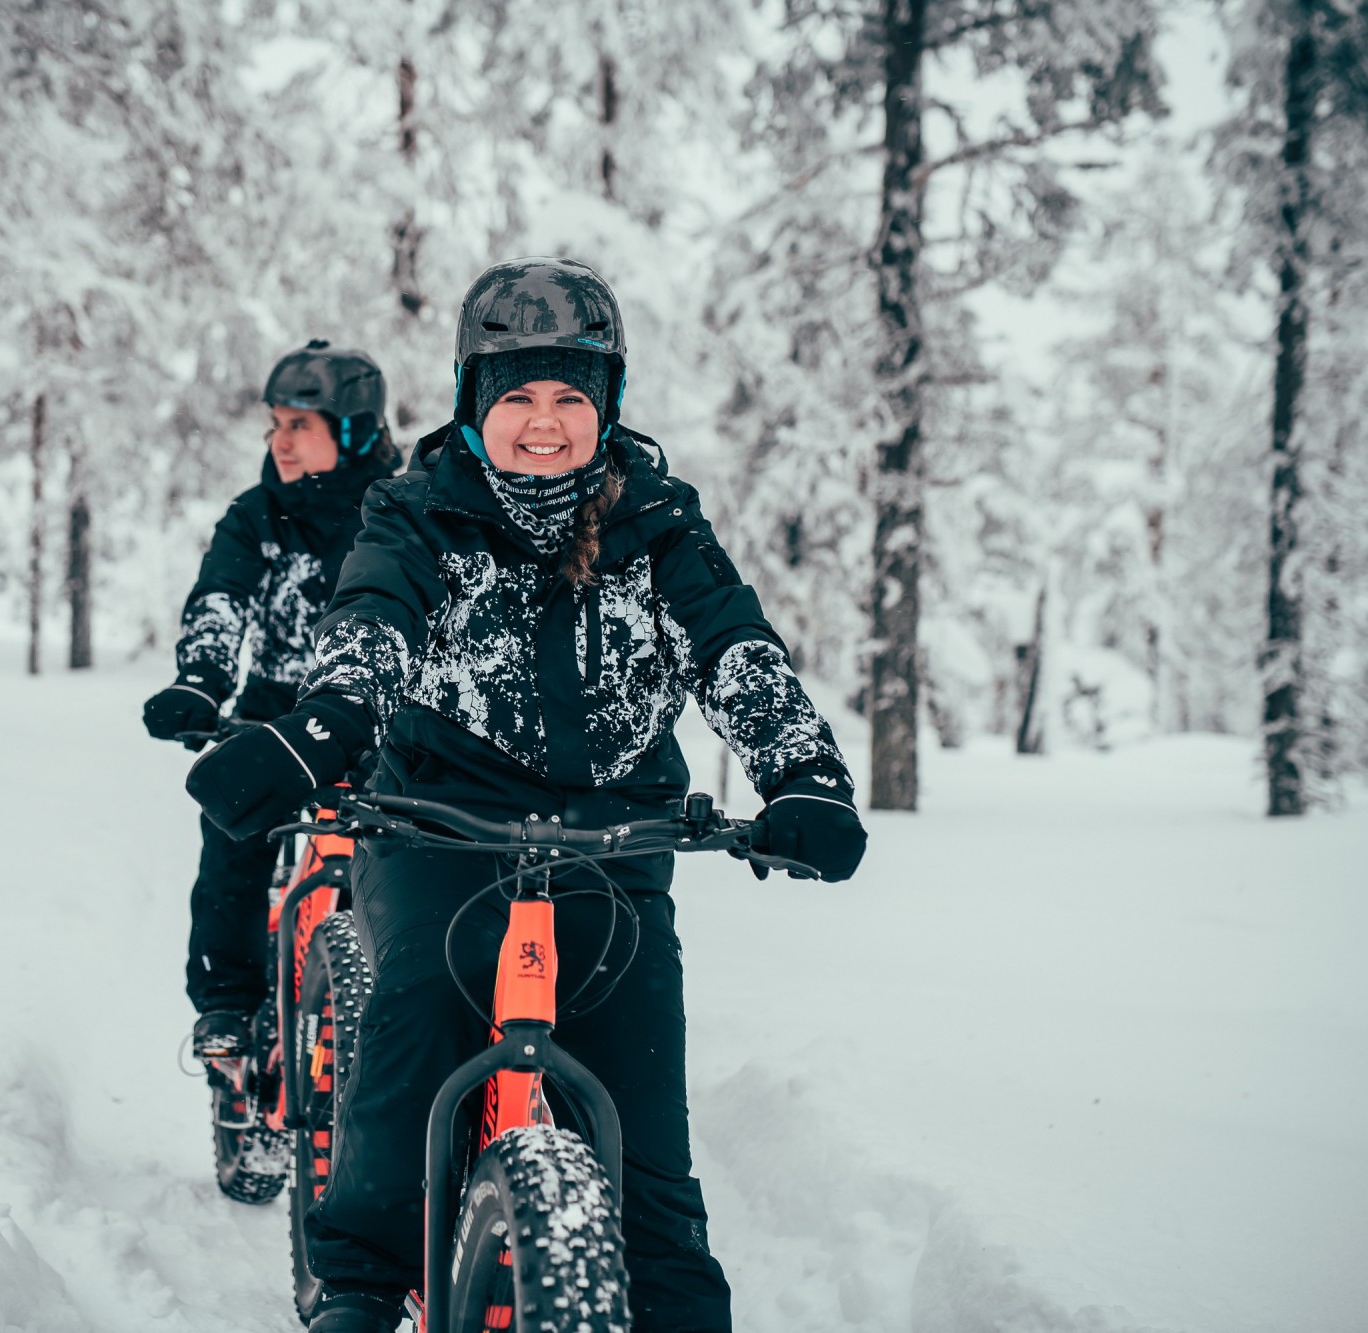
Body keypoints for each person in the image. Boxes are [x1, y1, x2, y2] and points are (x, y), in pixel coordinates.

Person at [186, 257, 868, 1333]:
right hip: (438, 834)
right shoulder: (416, 514)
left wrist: (803, 771)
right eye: (515, 397)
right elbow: (372, 626)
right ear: (471, 405)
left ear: (606, 407)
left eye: (568, 398)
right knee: (404, 1052)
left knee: (654, 1192)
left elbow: (732, 645)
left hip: (611, 853)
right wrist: (323, 727)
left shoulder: (658, 523)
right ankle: (355, 1293)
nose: (542, 423)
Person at [142, 339, 397, 1061]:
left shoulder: (399, 515)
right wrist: (201, 678)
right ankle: (228, 1002)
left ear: (350, 434)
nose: (278, 442)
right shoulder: (258, 515)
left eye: (299, 425)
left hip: (375, 718)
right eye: (274, 424)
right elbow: (221, 598)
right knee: (235, 826)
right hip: (272, 709)